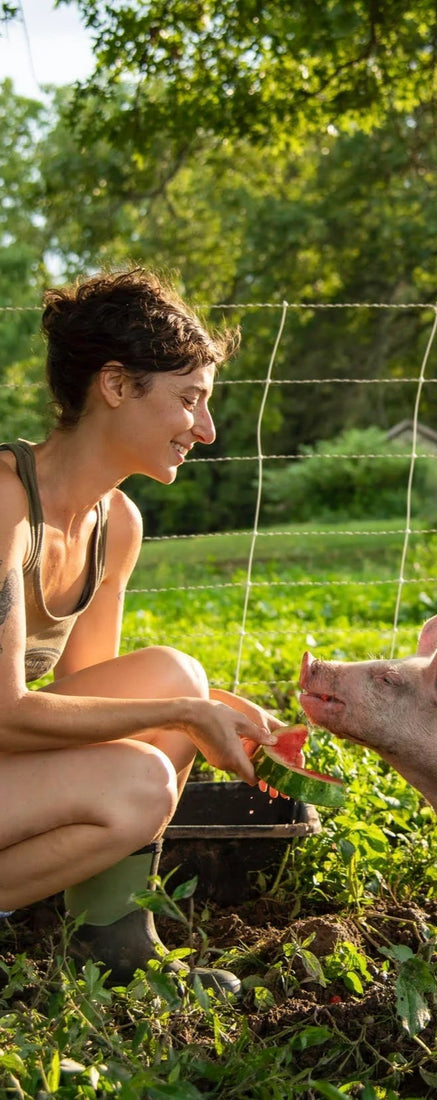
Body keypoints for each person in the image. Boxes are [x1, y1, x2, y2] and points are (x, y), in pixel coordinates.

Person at [0, 268, 285, 995]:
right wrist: (185, 714)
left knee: (175, 676)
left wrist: (210, 705)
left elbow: (81, 708)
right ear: (117, 385)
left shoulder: (115, 524)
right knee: (144, 772)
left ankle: (114, 936)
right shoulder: (5, 503)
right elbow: (7, 715)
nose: (206, 429)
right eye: (189, 400)